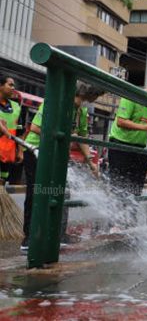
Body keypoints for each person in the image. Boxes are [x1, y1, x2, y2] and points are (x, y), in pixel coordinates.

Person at [22, 82, 105, 252]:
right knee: (37, 192)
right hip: (37, 150)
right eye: (91, 98)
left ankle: (57, 234)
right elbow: (36, 128)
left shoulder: (81, 112)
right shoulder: (54, 102)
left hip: (58, 154)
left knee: (61, 192)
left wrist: (91, 163)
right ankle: (29, 237)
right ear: (86, 95)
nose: (83, 103)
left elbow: (82, 136)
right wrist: (63, 134)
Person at [107, 74, 147, 224]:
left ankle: (130, 219)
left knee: (136, 185)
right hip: (120, 144)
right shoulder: (132, 96)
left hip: (139, 148)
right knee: (118, 184)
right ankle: (115, 222)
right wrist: (145, 127)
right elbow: (121, 121)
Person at [0, 75, 20, 186]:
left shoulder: (16, 106)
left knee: (3, 181)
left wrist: (20, 151)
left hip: (8, 153)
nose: (13, 88)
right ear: (1, 86)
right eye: (10, 85)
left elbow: (20, 129)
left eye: (14, 86)